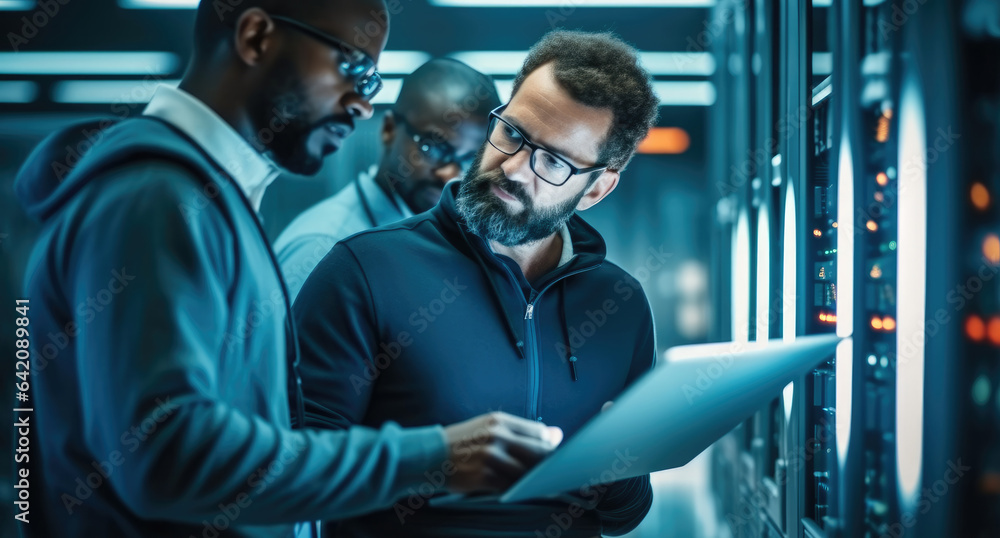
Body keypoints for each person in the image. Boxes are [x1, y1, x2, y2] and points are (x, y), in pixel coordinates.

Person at [13, 2, 558, 537]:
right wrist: (430, 457)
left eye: (371, 84)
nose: (361, 105)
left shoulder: (208, 198)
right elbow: (165, 452)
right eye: (353, 67)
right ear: (255, 37)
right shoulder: (156, 197)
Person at [293, 30, 661, 537]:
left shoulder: (620, 307)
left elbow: (624, 517)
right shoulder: (364, 269)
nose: (512, 169)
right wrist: (430, 463)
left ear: (597, 187)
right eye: (512, 133)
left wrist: (618, 472)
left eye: (552, 161)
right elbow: (290, 473)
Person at [274, 58, 500, 299]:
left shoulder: (440, 239)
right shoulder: (322, 247)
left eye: (470, 160)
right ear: (389, 129)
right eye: (431, 147)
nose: (450, 175)